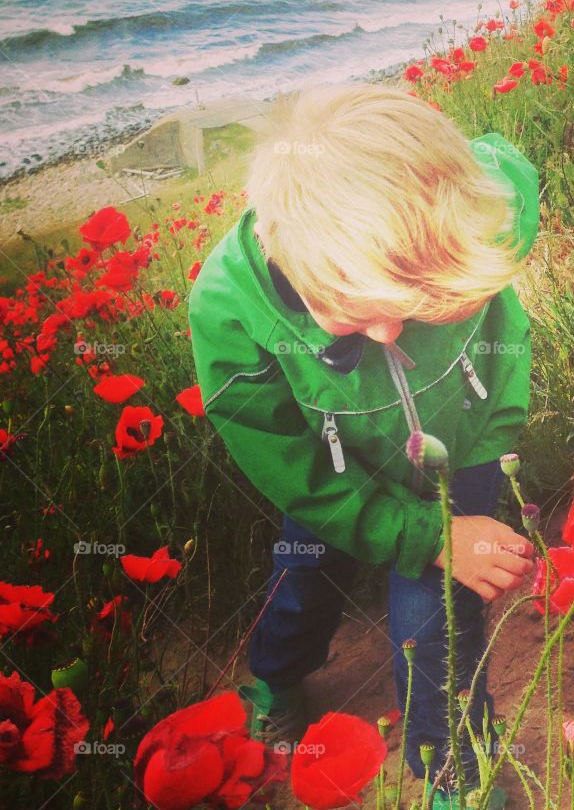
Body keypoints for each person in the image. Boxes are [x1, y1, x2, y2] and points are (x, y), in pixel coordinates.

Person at [187, 82, 540, 803]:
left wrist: (455, 516)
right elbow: (296, 474)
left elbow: (513, 173)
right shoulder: (226, 311)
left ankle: (457, 776)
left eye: (415, 311)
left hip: (463, 444)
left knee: (436, 617)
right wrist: (413, 530)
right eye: (356, 313)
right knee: (305, 577)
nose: (388, 337)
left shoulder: (482, 204)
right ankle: (278, 676)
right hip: (332, 477)